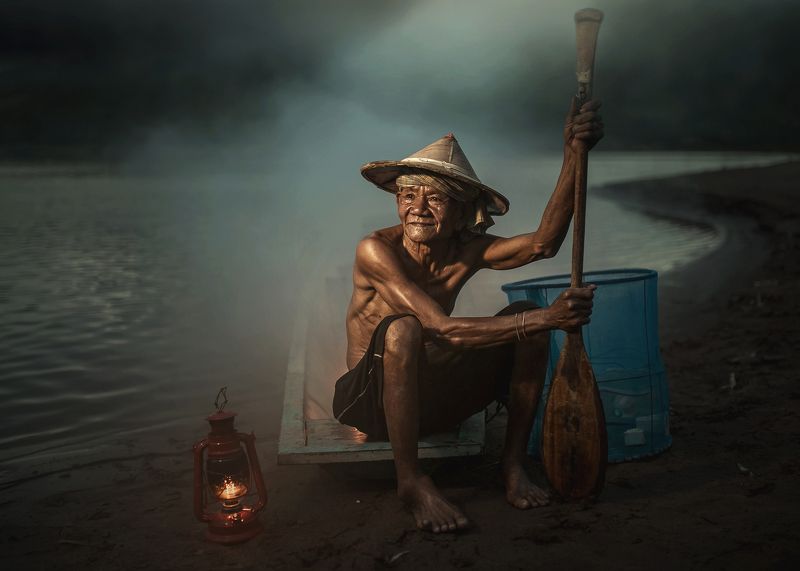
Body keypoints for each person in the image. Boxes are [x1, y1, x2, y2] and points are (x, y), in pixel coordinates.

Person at [332, 98, 604, 533]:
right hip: (372, 405)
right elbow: (438, 328)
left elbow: (543, 245)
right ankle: (411, 481)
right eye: (407, 194)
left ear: (461, 212)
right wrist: (549, 319)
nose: (417, 208)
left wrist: (574, 153)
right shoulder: (376, 250)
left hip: (432, 396)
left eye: (435, 197)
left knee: (527, 319)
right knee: (404, 329)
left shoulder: (466, 250)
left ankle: (512, 466)